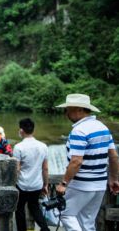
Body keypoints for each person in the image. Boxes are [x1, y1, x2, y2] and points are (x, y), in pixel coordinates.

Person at [55, 94, 119, 231]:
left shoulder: (79, 130)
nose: (66, 113)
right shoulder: (102, 127)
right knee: (87, 222)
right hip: (100, 184)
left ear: (79, 109)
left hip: (81, 184)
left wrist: (63, 183)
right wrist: (114, 178)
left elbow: (76, 161)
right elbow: (113, 156)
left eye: (68, 109)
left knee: (66, 214)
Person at [14, 118, 50, 231]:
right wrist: (46, 185)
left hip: (22, 185)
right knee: (34, 207)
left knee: (19, 209)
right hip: (37, 185)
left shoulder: (18, 147)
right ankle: (45, 229)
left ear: (21, 130)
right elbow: (45, 168)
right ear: (33, 130)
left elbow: (17, 169)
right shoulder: (43, 146)